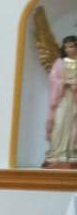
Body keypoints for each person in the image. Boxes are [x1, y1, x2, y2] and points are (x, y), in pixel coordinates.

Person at [44, 35, 77, 165]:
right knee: (60, 121)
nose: (69, 49)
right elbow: (53, 79)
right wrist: (65, 82)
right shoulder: (59, 63)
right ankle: (57, 152)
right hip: (62, 97)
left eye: (72, 46)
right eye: (66, 46)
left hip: (75, 98)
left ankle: (71, 152)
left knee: (73, 124)